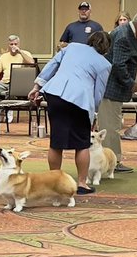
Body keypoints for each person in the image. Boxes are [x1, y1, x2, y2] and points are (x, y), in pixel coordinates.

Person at [28, 31, 112, 195]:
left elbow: (51, 65)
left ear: (90, 40)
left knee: (56, 141)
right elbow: (98, 93)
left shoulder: (71, 47)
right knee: (81, 144)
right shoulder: (104, 64)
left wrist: (37, 87)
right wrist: (93, 114)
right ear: (106, 48)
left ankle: (54, 182)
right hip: (79, 100)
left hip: (55, 93)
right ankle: (82, 183)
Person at [99, 9, 137, 174]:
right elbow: (118, 64)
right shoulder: (124, 36)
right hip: (110, 89)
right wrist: (130, 83)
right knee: (110, 128)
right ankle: (112, 163)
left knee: (113, 126)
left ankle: (110, 161)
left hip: (114, 89)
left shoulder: (127, 33)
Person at [0, 34, 34, 104]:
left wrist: (20, 52)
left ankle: (7, 107)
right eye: (11, 44)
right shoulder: (3, 56)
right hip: (4, 83)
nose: (13, 46)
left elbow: (32, 63)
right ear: (8, 45)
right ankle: (3, 107)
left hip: (19, 83)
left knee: (10, 93)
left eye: (15, 44)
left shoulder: (25, 53)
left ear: (19, 44)